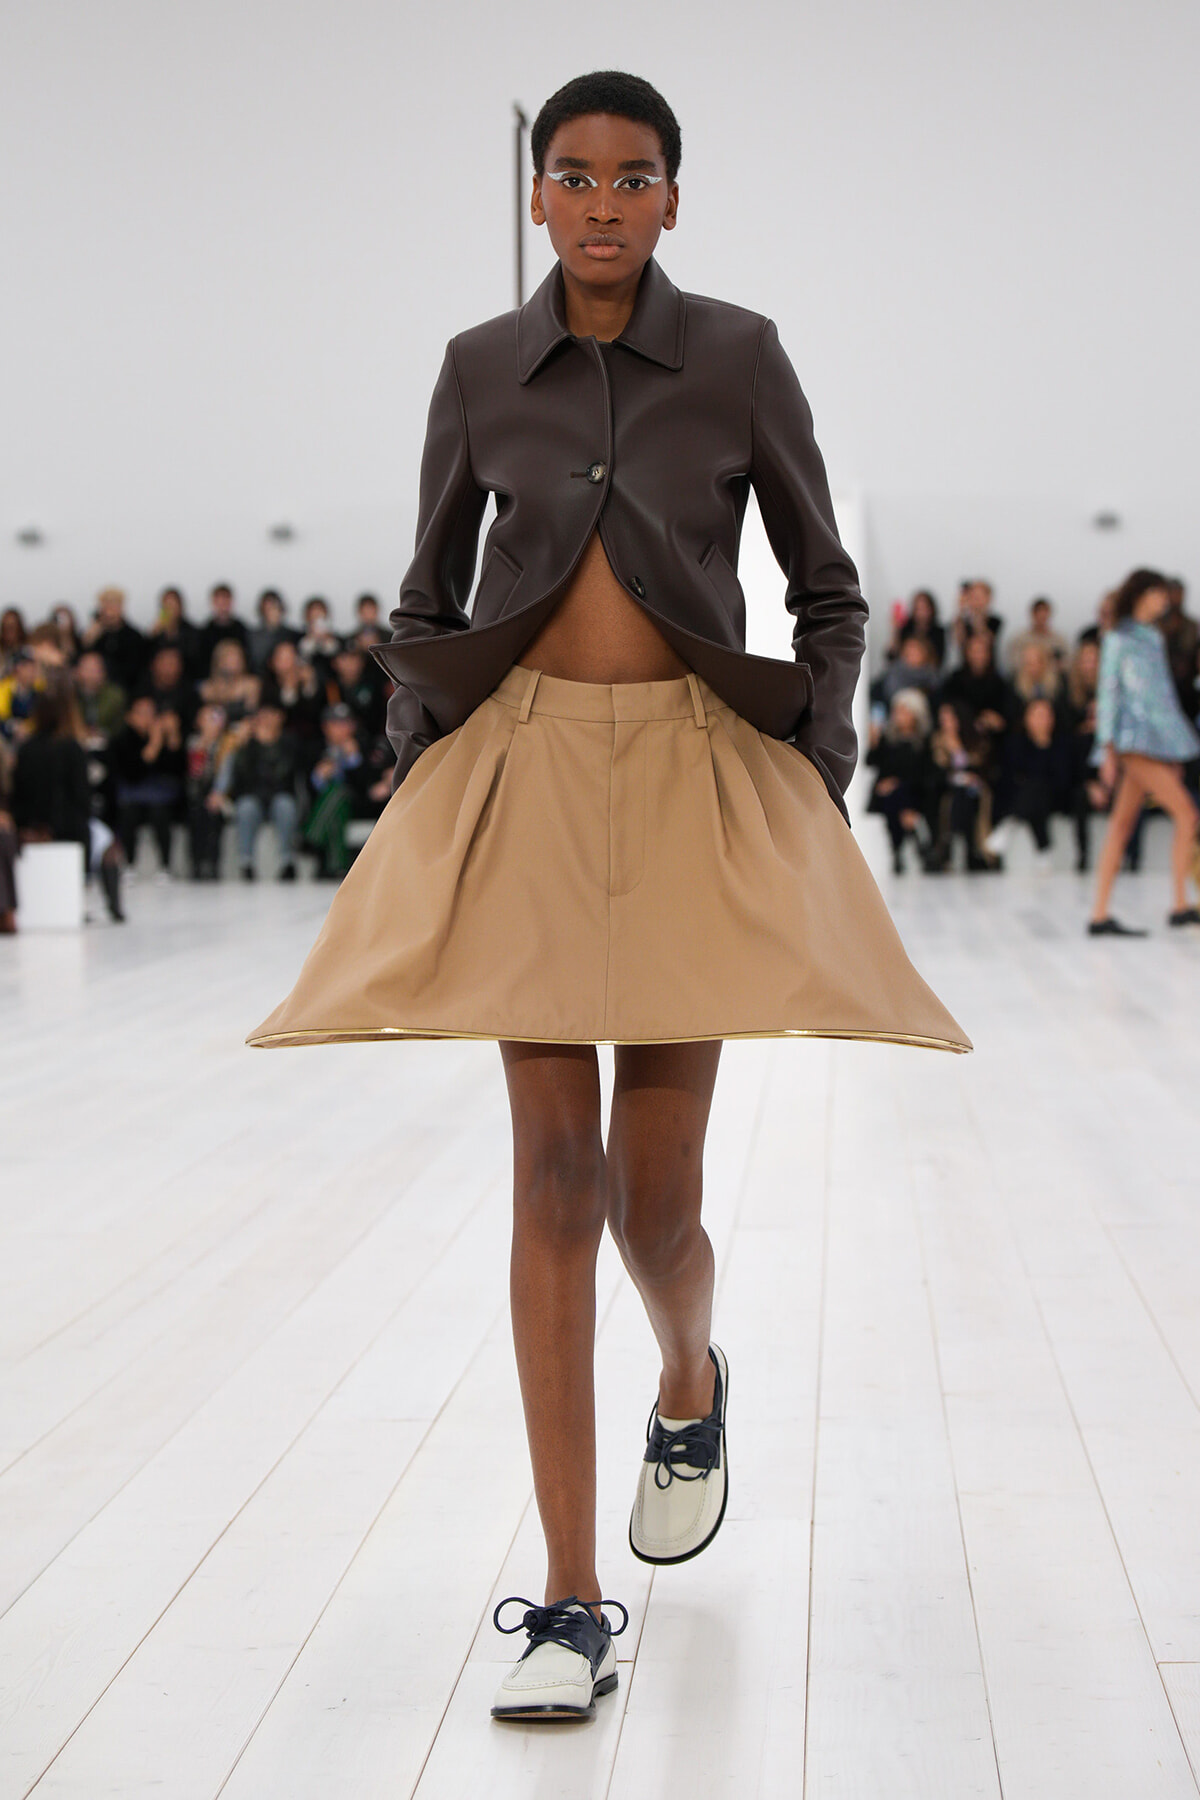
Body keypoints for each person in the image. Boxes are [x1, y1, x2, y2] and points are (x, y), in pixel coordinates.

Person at [245, 70, 969, 1723]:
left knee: (656, 1206)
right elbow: (427, 592)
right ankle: (571, 1598)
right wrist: (429, 760)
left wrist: (826, 754)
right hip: (524, 781)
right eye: (570, 175)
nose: (598, 201)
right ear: (536, 195)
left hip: (697, 774)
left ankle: (690, 1377)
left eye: (631, 176)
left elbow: (827, 586)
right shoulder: (476, 372)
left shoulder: (738, 358)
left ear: (671, 199)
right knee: (553, 1184)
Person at [1088, 567, 1200, 936]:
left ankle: (1100, 914)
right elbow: (1108, 694)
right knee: (1186, 813)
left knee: (1121, 826)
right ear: (1142, 594)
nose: (1164, 602)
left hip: (1154, 743)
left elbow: (1163, 700)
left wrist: (1173, 749)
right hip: (1131, 743)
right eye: (1158, 594)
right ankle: (1180, 905)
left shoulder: (1152, 638)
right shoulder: (1118, 639)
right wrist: (1106, 749)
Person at [12, 676, 124, 921]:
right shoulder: (72, 747)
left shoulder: (26, 748)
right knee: (108, 843)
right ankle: (112, 905)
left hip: (31, 825)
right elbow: (82, 795)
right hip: (70, 827)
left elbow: (17, 793)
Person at [223, 702, 300, 881]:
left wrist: (270, 746)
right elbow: (240, 775)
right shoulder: (248, 744)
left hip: (279, 795)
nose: (266, 720)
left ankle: (287, 861)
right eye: (262, 715)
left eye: (271, 715)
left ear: (280, 717)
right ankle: (246, 863)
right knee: (246, 807)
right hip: (254, 796)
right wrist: (243, 747)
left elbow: (284, 774)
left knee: (285, 805)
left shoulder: (289, 742)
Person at [109, 695, 184, 876]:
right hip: (132, 792)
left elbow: (177, 769)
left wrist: (172, 737)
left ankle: (165, 865)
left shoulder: (165, 737)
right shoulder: (122, 739)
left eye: (151, 713)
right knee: (128, 813)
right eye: (142, 713)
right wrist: (154, 745)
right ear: (130, 716)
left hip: (160, 795)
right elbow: (131, 773)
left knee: (160, 813)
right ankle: (128, 863)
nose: (147, 718)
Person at [865, 689, 936, 873]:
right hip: (889, 794)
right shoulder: (887, 739)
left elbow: (924, 772)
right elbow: (871, 761)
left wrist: (897, 782)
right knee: (893, 797)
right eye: (898, 711)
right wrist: (872, 741)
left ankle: (899, 847)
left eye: (905, 711)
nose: (900, 716)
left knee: (900, 793)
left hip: (915, 791)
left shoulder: (925, 742)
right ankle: (914, 837)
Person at [81, 587, 147, 694]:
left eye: (114, 604)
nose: (110, 609)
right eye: (106, 604)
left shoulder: (133, 636)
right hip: (94, 690)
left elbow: (135, 669)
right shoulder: (94, 633)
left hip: (124, 689)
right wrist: (89, 639)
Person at [195, 582, 248, 674]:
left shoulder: (241, 629)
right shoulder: (205, 632)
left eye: (225, 600)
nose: (223, 605)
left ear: (231, 602)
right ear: (213, 602)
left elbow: (247, 657)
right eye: (219, 601)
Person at [1005, 597, 1069, 673]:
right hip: (1025, 676)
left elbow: (1066, 662)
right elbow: (1013, 662)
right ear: (1032, 614)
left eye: (1045, 612)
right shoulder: (1020, 638)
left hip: (1052, 677)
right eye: (1038, 612)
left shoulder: (1059, 639)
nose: (1042, 616)